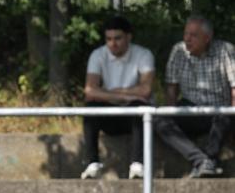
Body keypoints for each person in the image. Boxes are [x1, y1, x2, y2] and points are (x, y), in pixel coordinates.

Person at [155, 16, 235, 178]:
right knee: (158, 120)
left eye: (193, 35)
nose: (187, 39)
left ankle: (210, 158)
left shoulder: (226, 50)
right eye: (185, 34)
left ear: (207, 38)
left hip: (219, 111)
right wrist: (170, 114)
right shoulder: (178, 51)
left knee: (226, 115)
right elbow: (171, 89)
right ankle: (201, 160)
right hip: (189, 109)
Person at [80, 16, 154, 180]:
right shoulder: (97, 55)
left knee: (140, 108)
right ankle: (92, 163)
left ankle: (137, 165)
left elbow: (146, 90)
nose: (113, 44)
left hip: (134, 117)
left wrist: (111, 93)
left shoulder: (143, 54)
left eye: (118, 38)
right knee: (90, 109)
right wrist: (123, 95)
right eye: (108, 39)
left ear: (129, 37)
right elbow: (90, 91)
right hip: (110, 113)